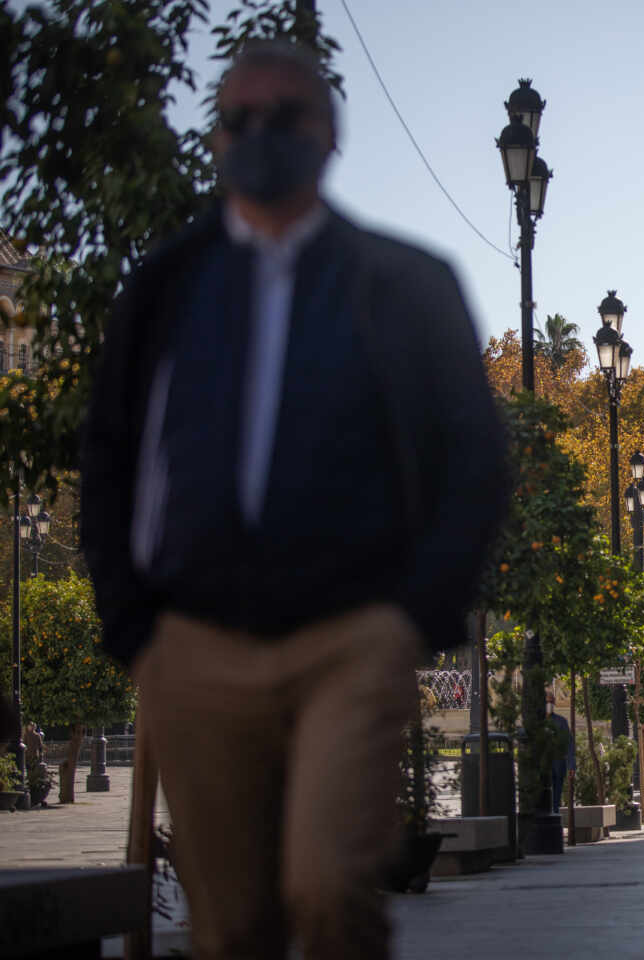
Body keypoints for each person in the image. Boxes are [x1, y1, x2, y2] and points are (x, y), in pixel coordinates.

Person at [79, 40, 507, 960]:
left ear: (329, 133)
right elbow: (108, 455)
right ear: (216, 138)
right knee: (229, 925)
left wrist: (413, 616)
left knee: (326, 888)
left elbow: (475, 459)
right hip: (191, 643)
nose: (261, 135)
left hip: (351, 637)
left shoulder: (405, 284)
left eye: (286, 117)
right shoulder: (163, 288)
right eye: (239, 119)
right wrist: (134, 626)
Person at [547, 691, 575, 814]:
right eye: (547, 701)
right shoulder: (536, 722)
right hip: (543, 765)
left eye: (551, 702)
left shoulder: (561, 721)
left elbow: (569, 744)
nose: (549, 704)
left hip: (558, 764)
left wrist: (571, 765)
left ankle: (555, 816)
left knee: (556, 796)